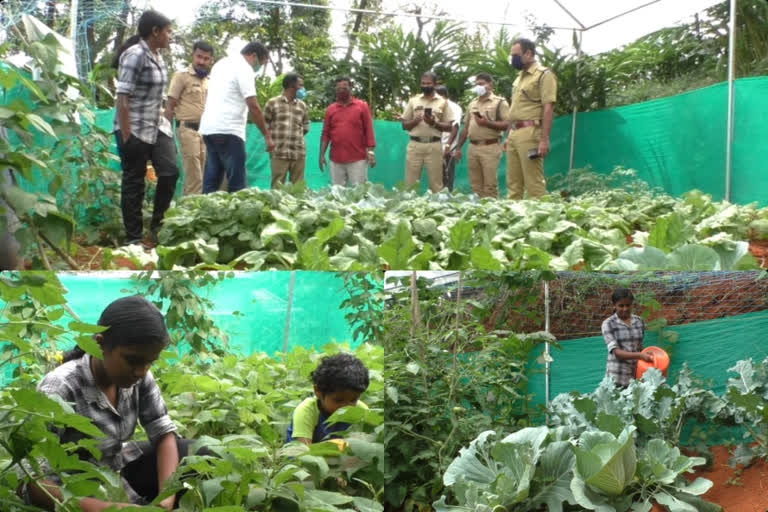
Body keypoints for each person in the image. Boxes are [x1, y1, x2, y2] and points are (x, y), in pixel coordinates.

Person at [23, 296, 189, 510]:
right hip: (68, 492)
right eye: (133, 360)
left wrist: (166, 499)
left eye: (150, 362)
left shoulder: (139, 377)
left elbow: (164, 433)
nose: (141, 371)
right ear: (100, 344)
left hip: (112, 472)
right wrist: (107, 509)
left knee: (190, 451)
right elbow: (27, 480)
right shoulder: (59, 389)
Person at [112, 10, 179, 247]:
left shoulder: (158, 55)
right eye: (168, 31)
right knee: (134, 182)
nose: (171, 36)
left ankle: (157, 228)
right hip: (135, 126)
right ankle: (133, 240)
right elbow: (123, 98)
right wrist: (127, 135)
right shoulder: (135, 54)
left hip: (156, 124)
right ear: (155, 31)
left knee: (170, 171)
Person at [199, 42, 275, 194]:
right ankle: (237, 216)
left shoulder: (221, 64)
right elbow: (253, 105)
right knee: (237, 184)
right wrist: (267, 136)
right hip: (229, 130)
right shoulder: (244, 68)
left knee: (212, 179)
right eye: (262, 62)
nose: (259, 67)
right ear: (253, 56)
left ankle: (204, 214)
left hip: (209, 129)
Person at [505, 38, 557, 200]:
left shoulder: (544, 75)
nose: (513, 58)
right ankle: (514, 219)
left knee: (534, 183)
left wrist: (544, 139)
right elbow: (514, 109)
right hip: (514, 133)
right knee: (513, 184)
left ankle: (541, 221)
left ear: (529, 53)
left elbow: (548, 107)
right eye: (512, 55)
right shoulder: (519, 78)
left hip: (531, 131)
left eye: (516, 55)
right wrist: (508, 135)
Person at [164, 41, 214, 196]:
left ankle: (187, 211)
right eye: (199, 57)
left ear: (211, 60)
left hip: (204, 133)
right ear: (193, 55)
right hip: (187, 130)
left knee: (201, 175)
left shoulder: (209, 81)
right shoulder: (181, 76)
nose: (202, 61)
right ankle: (191, 215)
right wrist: (167, 134)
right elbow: (170, 105)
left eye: (206, 58)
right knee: (195, 177)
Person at [286, 353, 369, 445]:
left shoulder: (362, 411)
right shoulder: (307, 411)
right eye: (339, 401)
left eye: (353, 400)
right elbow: (302, 451)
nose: (346, 407)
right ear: (317, 391)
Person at [452, 73, 509, 198]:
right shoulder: (472, 104)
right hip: (473, 147)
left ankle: (492, 213)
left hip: (491, 146)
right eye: (477, 84)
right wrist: (459, 148)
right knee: (475, 185)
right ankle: (478, 212)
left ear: (490, 85)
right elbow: (466, 128)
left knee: (490, 185)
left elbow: (507, 124)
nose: (479, 87)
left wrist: (487, 123)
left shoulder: (500, 102)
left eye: (482, 84)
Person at [401, 71, 455, 193]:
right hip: (415, 145)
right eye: (423, 83)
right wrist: (415, 121)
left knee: (436, 183)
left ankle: (436, 209)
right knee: (410, 183)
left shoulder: (443, 102)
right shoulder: (413, 101)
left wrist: (434, 123)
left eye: (428, 83)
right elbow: (404, 125)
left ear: (435, 84)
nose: (425, 85)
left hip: (434, 145)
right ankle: (410, 209)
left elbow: (449, 127)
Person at [319, 77, 376, 187]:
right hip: (336, 159)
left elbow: (369, 131)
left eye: (344, 88)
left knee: (359, 193)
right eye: (338, 88)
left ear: (351, 88)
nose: (341, 90)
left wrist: (371, 153)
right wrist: (321, 156)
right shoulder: (331, 109)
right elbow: (325, 134)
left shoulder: (362, 106)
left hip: (358, 159)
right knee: (337, 194)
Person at [264, 73, 310, 188]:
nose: (303, 89)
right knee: (277, 186)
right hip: (279, 152)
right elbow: (265, 124)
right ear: (291, 86)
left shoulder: (302, 105)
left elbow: (306, 126)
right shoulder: (272, 102)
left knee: (298, 187)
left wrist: (296, 138)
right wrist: (271, 141)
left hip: (298, 152)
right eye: (300, 85)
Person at [602, 288, 654, 388]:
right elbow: (617, 353)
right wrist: (641, 355)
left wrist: (647, 354)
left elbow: (639, 347)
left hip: (636, 374)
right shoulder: (608, 324)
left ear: (632, 304)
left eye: (628, 305)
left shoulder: (639, 321)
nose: (625, 309)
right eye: (621, 305)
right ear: (614, 305)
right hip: (617, 376)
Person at [435, 85, 462, 192]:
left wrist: (448, 145)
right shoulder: (436, 106)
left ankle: (447, 204)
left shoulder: (454, 107)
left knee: (447, 178)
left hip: (448, 149)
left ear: (444, 96)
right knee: (436, 179)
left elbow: (455, 126)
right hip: (434, 147)